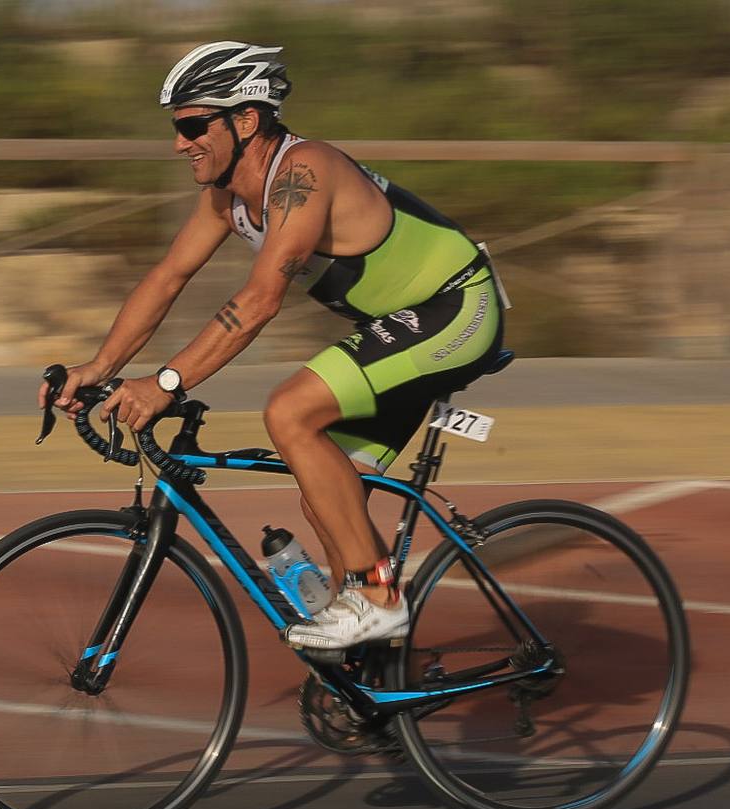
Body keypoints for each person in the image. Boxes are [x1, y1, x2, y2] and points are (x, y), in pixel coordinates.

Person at [37, 41, 504, 649]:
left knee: (290, 410)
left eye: (192, 124)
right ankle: (375, 683)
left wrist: (166, 384)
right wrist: (97, 368)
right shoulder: (228, 195)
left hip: (456, 308)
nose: (179, 142)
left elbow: (259, 300)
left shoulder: (304, 172)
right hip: (406, 325)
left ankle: (380, 596)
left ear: (246, 119)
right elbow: (168, 277)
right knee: (328, 501)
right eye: (176, 127)